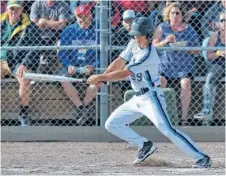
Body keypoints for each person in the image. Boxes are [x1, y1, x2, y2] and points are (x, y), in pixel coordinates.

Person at [87, 17, 211, 168]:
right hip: (136, 98)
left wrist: (100, 77)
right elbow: (119, 62)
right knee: (112, 124)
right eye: (135, 35)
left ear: (148, 35)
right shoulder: (133, 43)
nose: (136, 38)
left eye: (140, 35)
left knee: (168, 129)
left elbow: (124, 73)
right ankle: (144, 144)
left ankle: (202, 158)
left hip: (151, 98)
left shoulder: (149, 54)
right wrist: (103, 78)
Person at [152, 2, 200, 126]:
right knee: (161, 81)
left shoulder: (189, 29)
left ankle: (183, 119)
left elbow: (197, 50)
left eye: (178, 13)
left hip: (184, 65)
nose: (175, 15)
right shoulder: (162, 27)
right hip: (166, 65)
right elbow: (153, 45)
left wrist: (186, 47)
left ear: (182, 15)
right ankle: (161, 117)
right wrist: (165, 41)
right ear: (168, 14)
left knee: (186, 83)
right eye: (172, 13)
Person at [0, 0, 41, 126]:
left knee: (25, 78)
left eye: (17, 9)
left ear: (22, 10)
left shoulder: (30, 26)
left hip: (17, 62)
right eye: (11, 9)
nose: (14, 11)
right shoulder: (1, 24)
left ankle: (23, 113)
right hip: (1, 61)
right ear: (7, 9)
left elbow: (35, 48)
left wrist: (25, 64)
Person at [58, 4, 98, 125]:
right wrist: (68, 65)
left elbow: (103, 54)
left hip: (91, 67)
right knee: (63, 79)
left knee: (97, 81)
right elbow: (62, 53)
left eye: (85, 16)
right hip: (73, 67)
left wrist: (94, 65)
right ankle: (81, 108)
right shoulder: (69, 30)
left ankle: (83, 108)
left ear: (90, 16)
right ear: (75, 16)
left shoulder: (98, 29)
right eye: (79, 16)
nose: (82, 19)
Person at [194, 11, 226, 121]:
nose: (224, 22)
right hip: (220, 63)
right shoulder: (214, 36)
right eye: (222, 20)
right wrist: (218, 53)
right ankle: (207, 109)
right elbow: (209, 56)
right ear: (219, 22)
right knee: (210, 78)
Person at [30, 0, 71, 74]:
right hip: (38, 36)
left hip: (57, 36)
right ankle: (36, 72)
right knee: (31, 42)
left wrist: (43, 21)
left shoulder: (63, 5)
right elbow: (33, 26)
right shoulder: (36, 4)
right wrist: (54, 23)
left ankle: (61, 73)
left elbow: (61, 25)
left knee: (61, 45)